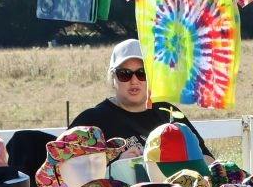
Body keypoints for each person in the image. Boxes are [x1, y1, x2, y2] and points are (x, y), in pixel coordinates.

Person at [70, 39, 214, 152]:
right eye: (124, 74)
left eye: (142, 73)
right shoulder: (92, 120)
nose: (134, 81)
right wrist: (113, 164)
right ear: (113, 78)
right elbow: (59, 169)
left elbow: (205, 157)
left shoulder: (168, 114)